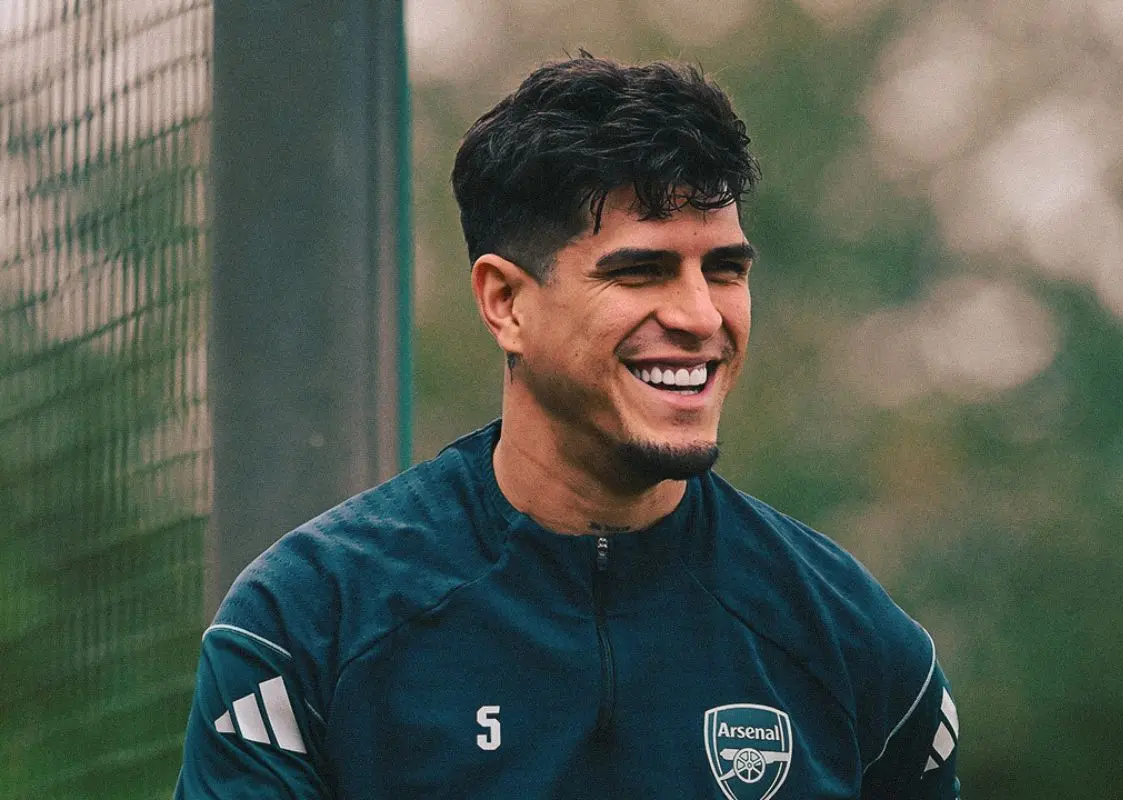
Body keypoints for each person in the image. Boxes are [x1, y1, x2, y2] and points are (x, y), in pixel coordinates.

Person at [175, 54, 960, 799]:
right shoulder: (307, 626)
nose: (699, 315)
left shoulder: (861, 648)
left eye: (724, 270)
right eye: (640, 271)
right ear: (505, 303)